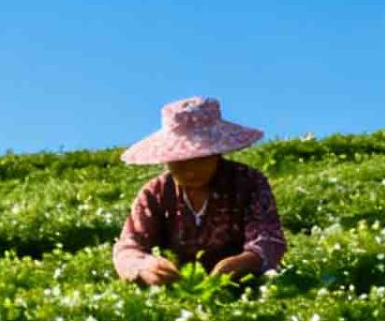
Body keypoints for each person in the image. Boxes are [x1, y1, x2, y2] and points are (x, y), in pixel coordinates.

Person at [112, 97, 285, 285]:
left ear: (217, 153)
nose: (190, 170)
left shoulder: (248, 182)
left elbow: (268, 238)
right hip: (175, 291)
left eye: (201, 159)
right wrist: (144, 266)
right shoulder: (155, 193)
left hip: (244, 287)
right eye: (180, 161)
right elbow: (128, 246)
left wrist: (248, 260)